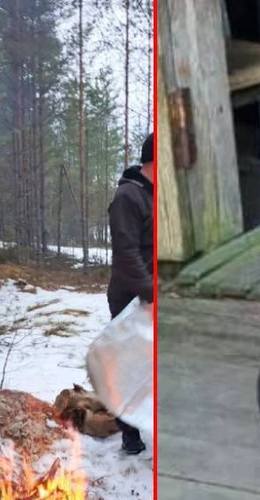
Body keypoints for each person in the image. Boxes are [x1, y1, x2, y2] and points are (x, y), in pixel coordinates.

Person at [106, 132, 154, 455]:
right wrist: (149, 292)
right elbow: (126, 255)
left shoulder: (153, 195)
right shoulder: (128, 197)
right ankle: (131, 437)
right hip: (131, 298)